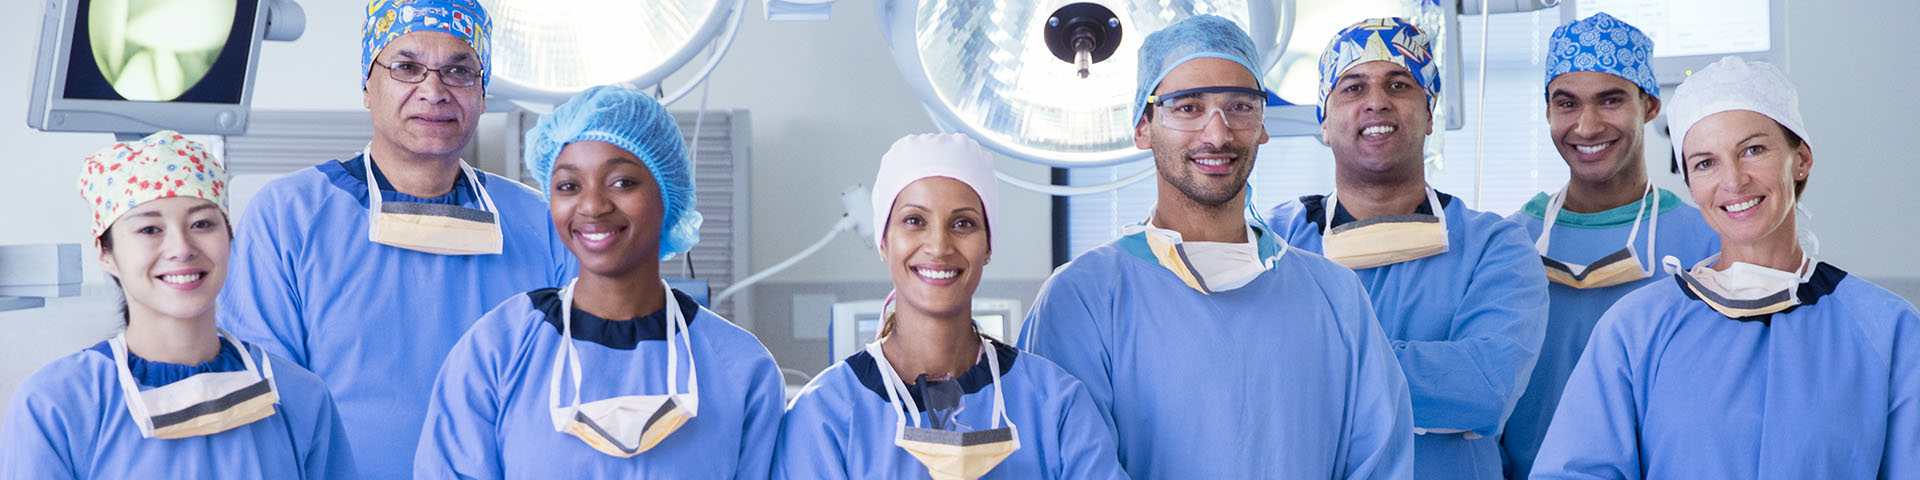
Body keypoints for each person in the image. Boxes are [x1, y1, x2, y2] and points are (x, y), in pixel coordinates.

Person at [1021, 15, 1413, 479]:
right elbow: (1064, 465)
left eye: (1240, 106)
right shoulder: (1083, 299)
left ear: (1263, 123)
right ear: (1144, 126)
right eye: (1186, 107)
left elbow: (1379, 464)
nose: (1218, 133)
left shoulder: (1336, 296)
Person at [216, 1, 575, 476]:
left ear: (482, 93)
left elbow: (569, 398)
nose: (434, 90)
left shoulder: (541, 226)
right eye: (407, 67)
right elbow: (263, 412)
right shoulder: (290, 217)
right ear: (368, 84)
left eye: (459, 70)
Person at [1530, 56, 1920, 479]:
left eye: (1753, 150)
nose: (1733, 181)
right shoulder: (1636, 329)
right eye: (1705, 163)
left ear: (1801, 158)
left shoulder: (1888, 329)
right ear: (1691, 186)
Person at [412, 86, 783, 478]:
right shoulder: (499, 350)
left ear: (667, 193)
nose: (592, 206)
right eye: (569, 186)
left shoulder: (740, 368)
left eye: (622, 182)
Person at [1263, 17, 1549, 480]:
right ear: (1324, 121)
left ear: (1430, 113)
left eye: (1399, 84)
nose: (1376, 101)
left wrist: (1311, 364)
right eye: (1352, 88)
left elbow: (1483, 389)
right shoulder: (1273, 241)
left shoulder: (1494, 247)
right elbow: (1247, 379)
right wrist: (1428, 379)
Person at [1, 132, 355, 478]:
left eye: (202, 223)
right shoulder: (57, 407)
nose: (182, 248)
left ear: (229, 239)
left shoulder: (300, 397)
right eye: (150, 229)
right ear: (105, 253)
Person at [774, 134, 1127, 480]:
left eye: (963, 223)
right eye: (915, 221)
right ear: (884, 241)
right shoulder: (826, 415)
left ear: (988, 245)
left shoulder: (1055, 405)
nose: (939, 245)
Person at [1498, 13, 1720, 478]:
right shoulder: (1507, 244)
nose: (1587, 125)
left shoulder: (1707, 240)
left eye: (1611, 100)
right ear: (1547, 112)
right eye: (1567, 104)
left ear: (1651, 105)